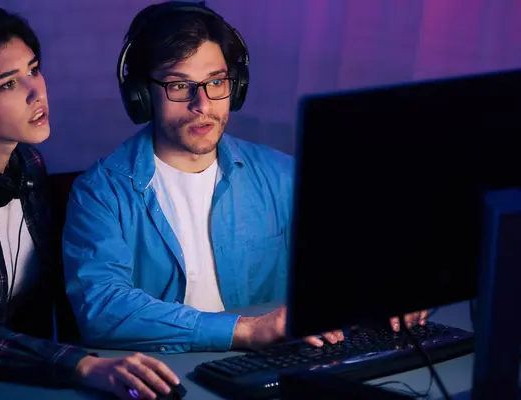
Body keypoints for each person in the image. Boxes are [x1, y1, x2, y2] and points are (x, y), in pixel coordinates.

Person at [62, 1, 428, 354]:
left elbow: (354, 256)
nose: (202, 105)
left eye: (216, 82)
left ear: (235, 86)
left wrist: (391, 292)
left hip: (275, 363)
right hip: (165, 372)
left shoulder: (281, 174)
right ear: (142, 94)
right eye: (179, 86)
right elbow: (102, 308)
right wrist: (245, 331)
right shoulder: (99, 193)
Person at [0, 5, 180, 400]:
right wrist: (81, 365)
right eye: (8, 84)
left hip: (19, 381)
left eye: (34, 68)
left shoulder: (27, 164)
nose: (36, 91)